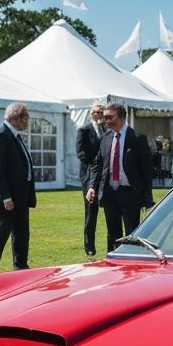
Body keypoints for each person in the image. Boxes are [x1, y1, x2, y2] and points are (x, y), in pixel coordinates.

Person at [87, 102, 154, 252]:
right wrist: (92, 186)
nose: (106, 121)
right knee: (113, 233)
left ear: (122, 117)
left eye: (110, 117)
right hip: (110, 193)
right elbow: (97, 164)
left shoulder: (137, 139)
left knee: (132, 232)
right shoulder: (105, 138)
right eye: (105, 118)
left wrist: (147, 197)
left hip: (130, 193)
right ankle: (114, 261)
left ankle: (132, 260)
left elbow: (147, 170)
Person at [0, 101, 37, 273]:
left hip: (20, 195)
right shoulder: (1, 136)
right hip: (7, 198)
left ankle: (21, 266)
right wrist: (6, 197)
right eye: (25, 118)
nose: (27, 122)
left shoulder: (15, 136)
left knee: (22, 233)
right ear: (15, 118)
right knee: (1, 234)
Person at [75, 101, 104, 257]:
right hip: (88, 176)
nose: (97, 115)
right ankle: (89, 246)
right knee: (91, 213)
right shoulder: (84, 130)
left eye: (100, 112)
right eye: (94, 112)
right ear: (90, 113)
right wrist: (95, 162)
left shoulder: (106, 130)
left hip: (104, 176)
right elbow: (80, 153)